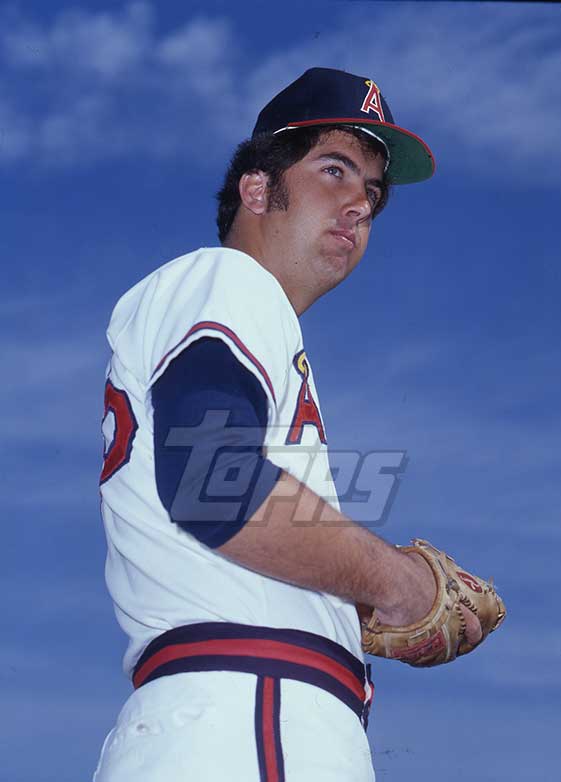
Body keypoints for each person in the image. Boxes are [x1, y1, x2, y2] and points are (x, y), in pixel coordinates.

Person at [93, 67, 482, 782]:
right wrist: (397, 583)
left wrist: (350, 599)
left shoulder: (240, 314)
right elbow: (214, 483)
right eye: (334, 169)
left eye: (372, 192)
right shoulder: (228, 279)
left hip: (227, 715)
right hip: (251, 710)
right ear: (256, 188)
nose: (359, 204)